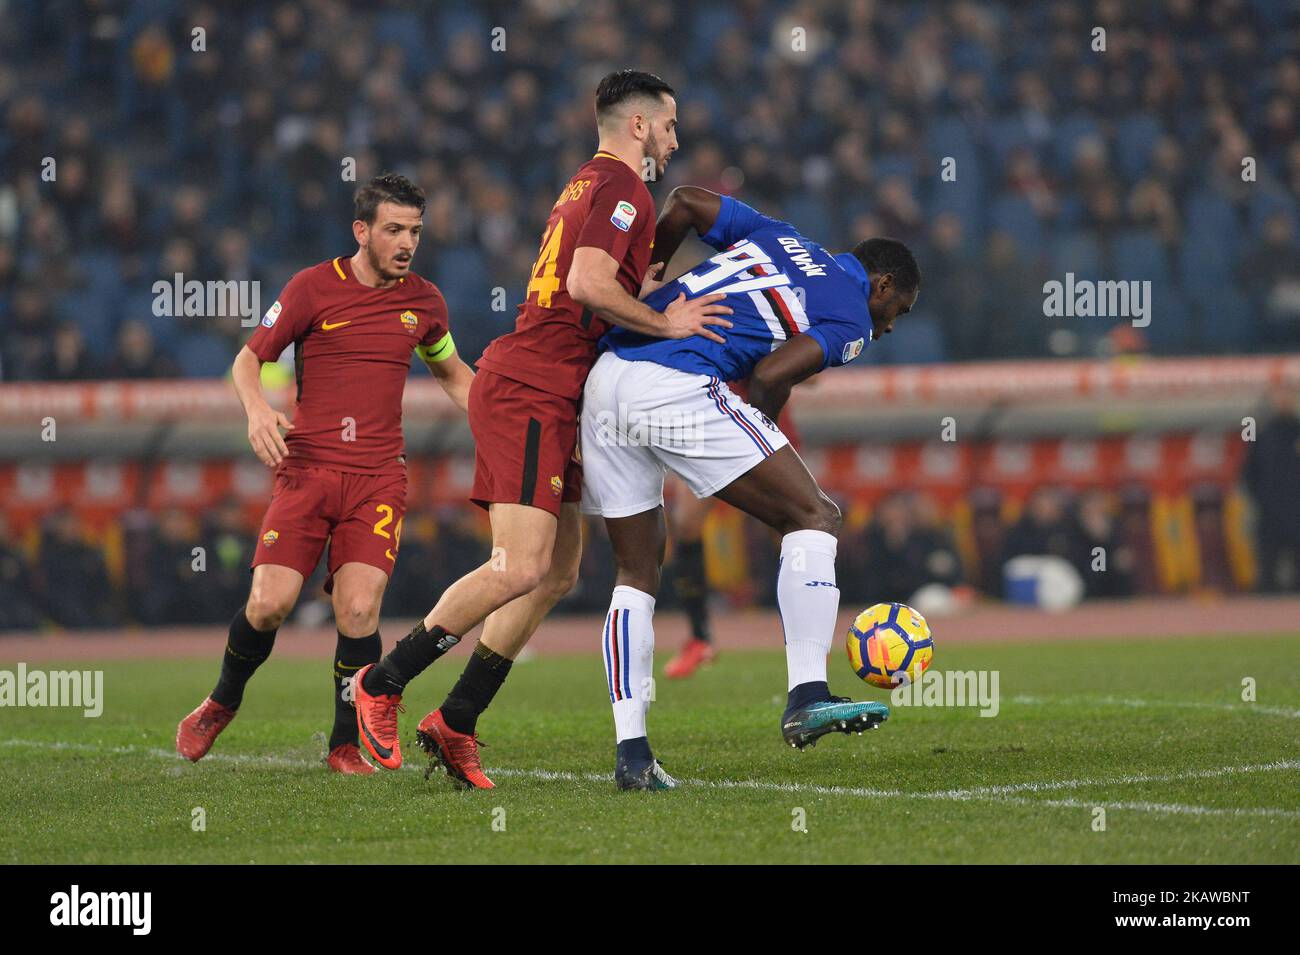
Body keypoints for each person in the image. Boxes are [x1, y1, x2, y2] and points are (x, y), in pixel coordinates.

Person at [354, 69, 732, 788]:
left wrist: (659, 298)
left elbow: (597, 284)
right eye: (671, 125)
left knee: (556, 571)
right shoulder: (624, 188)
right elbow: (588, 284)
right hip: (534, 384)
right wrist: (667, 320)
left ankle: (457, 718)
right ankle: (383, 680)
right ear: (639, 125)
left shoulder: (585, 184)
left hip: (556, 390)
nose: (676, 140)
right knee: (520, 566)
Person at [580, 185, 920, 788]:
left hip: (607, 381)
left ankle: (632, 753)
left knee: (635, 571)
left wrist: (650, 269)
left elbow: (683, 200)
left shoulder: (780, 234)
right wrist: (758, 422)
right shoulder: (852, 317)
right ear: (883, 286)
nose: (891, 327)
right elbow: (767, 376)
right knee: (815, 516)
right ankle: (806, 694)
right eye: (899, 312)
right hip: (674, 383)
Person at [175, 173, 474, 775]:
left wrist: (504, 426)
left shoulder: (424, 303)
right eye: (393, 229)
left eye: (415, 230)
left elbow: (451, 373)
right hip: (307, 469)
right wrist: (258, 408)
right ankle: (221, 702)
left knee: (359, 612)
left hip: (379, 478)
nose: (406, 242)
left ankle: (342, 746)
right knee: (268, 605)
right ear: (361, 231)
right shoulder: (312, 288)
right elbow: (247, 359)